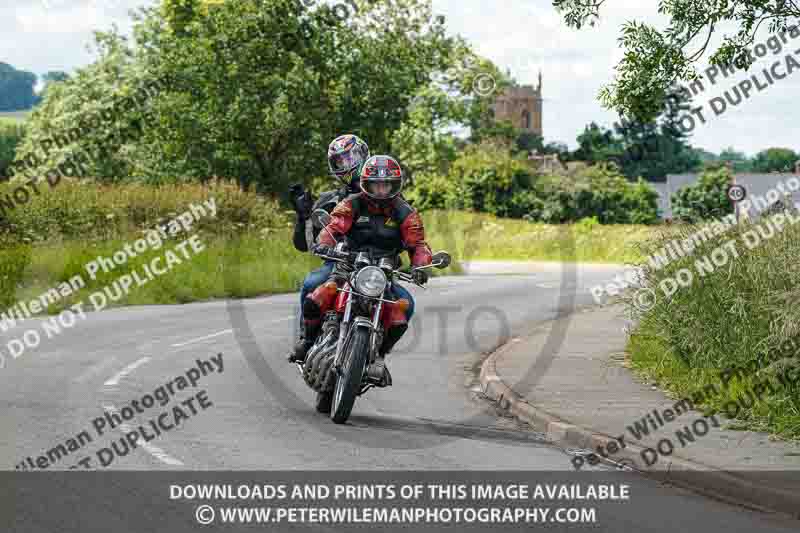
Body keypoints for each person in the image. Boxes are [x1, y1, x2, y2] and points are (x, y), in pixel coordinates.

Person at [303, 155, 431, 384]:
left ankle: (380, 356)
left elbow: (418, 244)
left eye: (386, 185)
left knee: (405, 308)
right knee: (316, 298)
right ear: (366, 184)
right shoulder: (352, 203)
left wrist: (421, 265)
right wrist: (325, 243)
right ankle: (307, 341)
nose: (381, 190)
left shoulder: (405, 211)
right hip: (348, 267)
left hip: (383, 274)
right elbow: (334, 225)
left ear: (395, 185)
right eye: (376, 184)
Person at [287, 134, 370, 363]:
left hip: (376, 267)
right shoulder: (329, 199)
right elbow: (304, 245)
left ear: (363, 155)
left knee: (404, 303)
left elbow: (408, 229)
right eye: (339, 161)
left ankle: (378, 354)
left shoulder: (387, 195)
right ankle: (307, 340)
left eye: (350, 157)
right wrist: (303, 216)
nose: (346, 165)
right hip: (339, 264)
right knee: (312, 284)